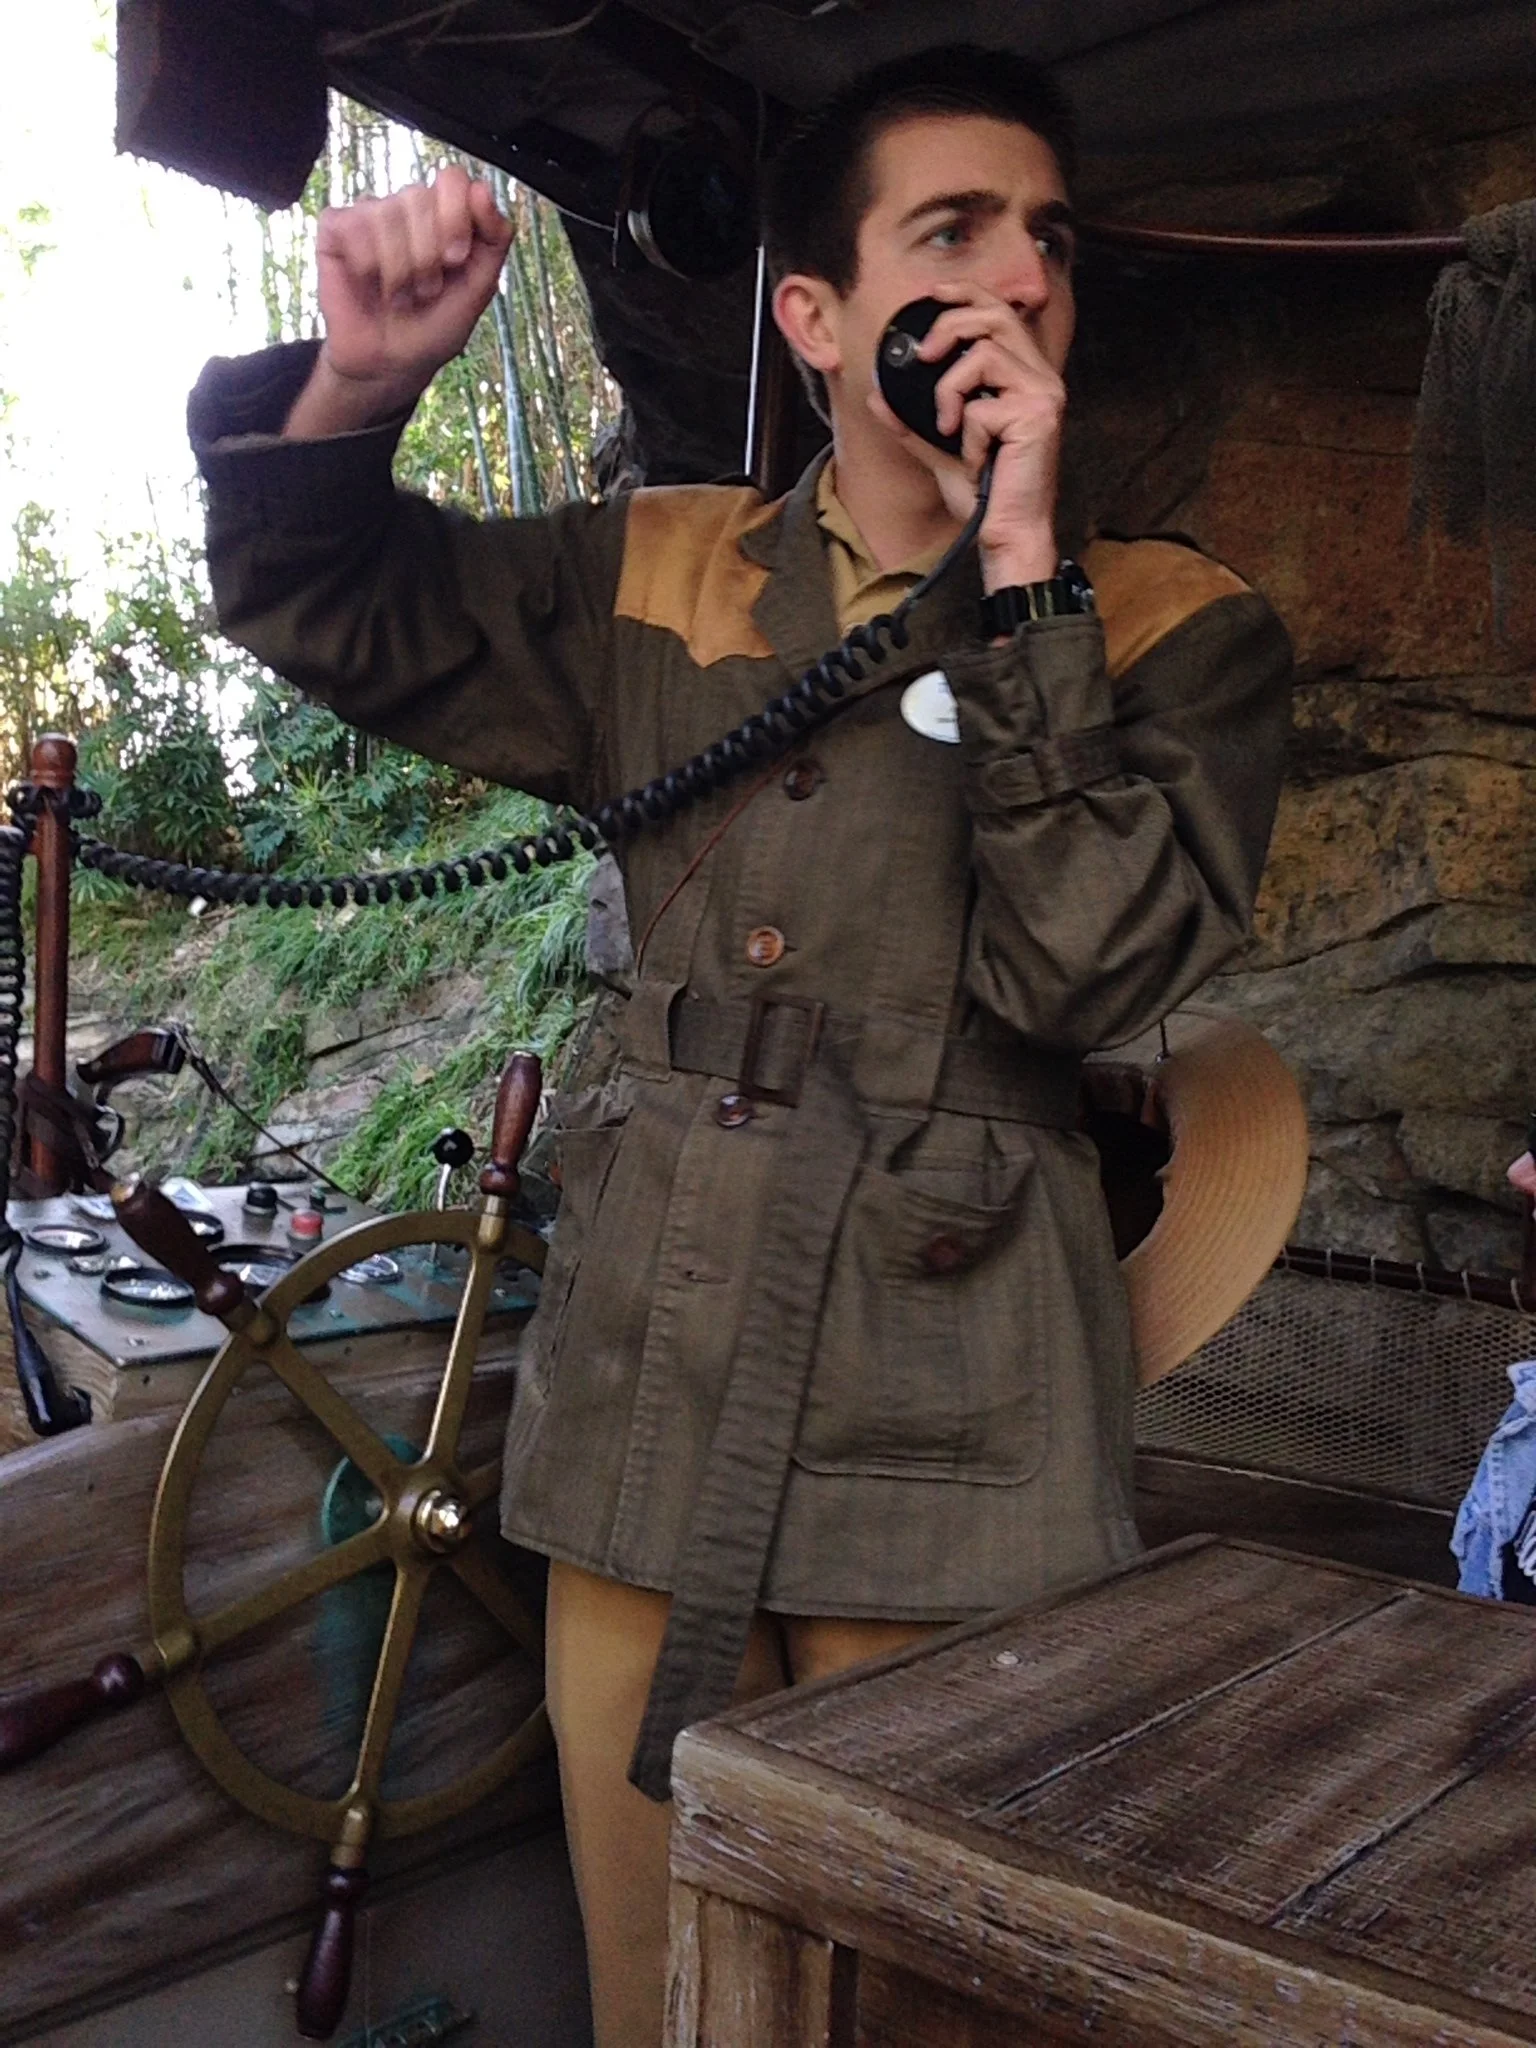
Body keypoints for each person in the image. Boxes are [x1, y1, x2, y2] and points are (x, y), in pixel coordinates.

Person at [188, 45, 1292, 2045]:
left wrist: (1021, 565)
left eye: (1045, 242)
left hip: (960, 1423)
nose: (1019, 280)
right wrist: (359, 378)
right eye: (950, 234)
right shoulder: (664, 564)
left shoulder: (1170, 622)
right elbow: (326, 596)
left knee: (931, 1984)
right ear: (816, 311)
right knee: (664, 1968)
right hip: (651, 1387)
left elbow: (1080, 977)